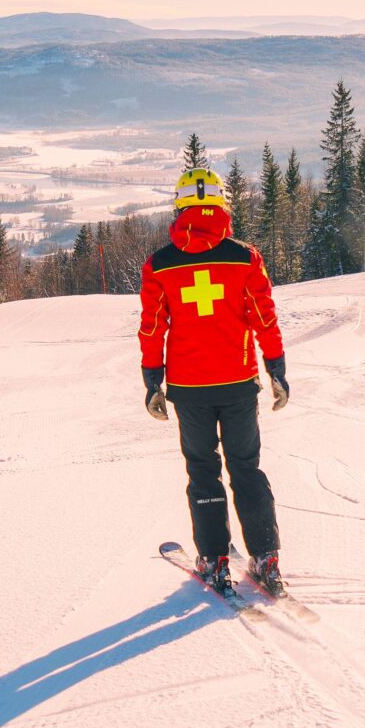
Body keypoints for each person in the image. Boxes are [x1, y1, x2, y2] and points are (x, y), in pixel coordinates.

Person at [139, 162, 288, 597]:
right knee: (247, 468)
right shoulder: (245, 257)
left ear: (180, 206)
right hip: (239, 383)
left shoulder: (160, 265)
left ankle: (214, 558)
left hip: (189, 389)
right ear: (222, 204)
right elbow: (264, 317)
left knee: (203, 470)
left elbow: (153, 327)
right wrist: (276, 368)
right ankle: (266, 556)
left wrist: (152, 382)